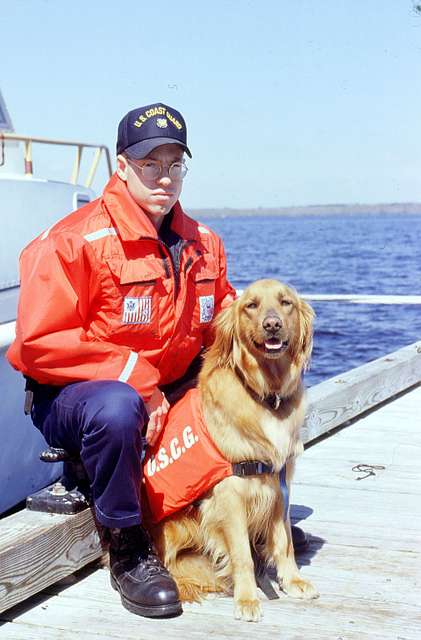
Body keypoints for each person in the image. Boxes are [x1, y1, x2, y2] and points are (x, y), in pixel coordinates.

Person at [7, 102, 307, 619]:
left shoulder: (204, 244)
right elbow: (37, 344)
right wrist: (138, 378)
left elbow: (226, 327)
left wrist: (274, 353)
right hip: (82, 397)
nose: (163, 178)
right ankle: (128, 547)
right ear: (122, 167)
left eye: (174, 164)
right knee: (118, 407)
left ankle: (253, 522)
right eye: (150, 164)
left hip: (164, 389)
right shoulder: (73, 240)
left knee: (256, 391)